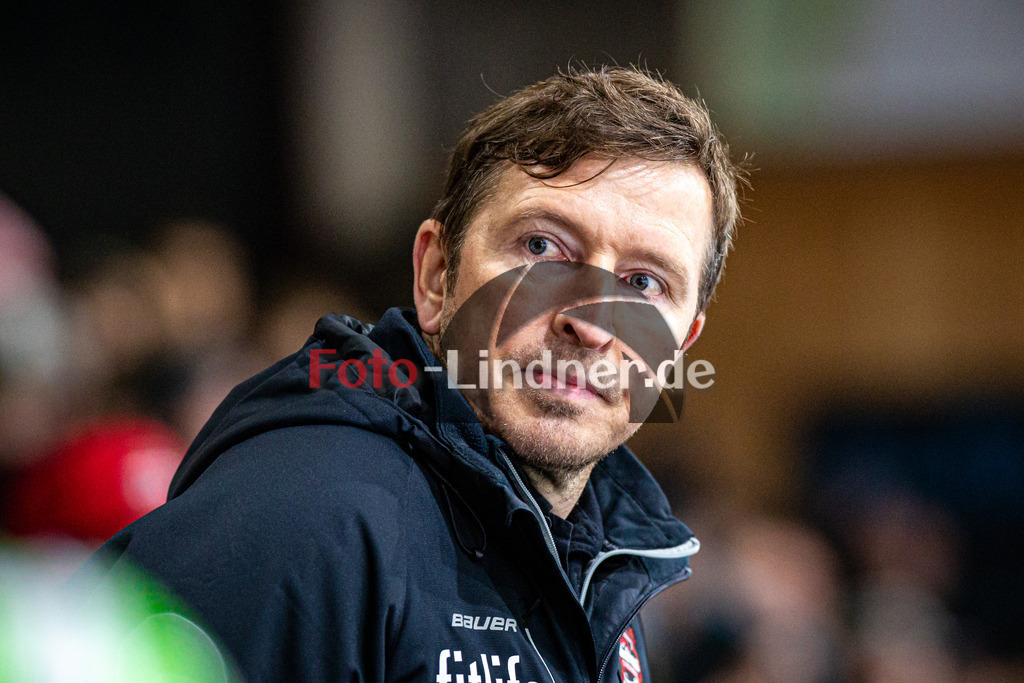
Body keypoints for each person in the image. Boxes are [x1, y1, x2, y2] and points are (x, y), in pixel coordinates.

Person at [84, 66, 744, 682]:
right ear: (435, 276)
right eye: (542, 246)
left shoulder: (611, 565)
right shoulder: (300, 525)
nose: (592, 322)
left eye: (644, 282)